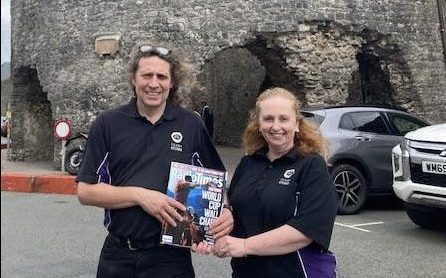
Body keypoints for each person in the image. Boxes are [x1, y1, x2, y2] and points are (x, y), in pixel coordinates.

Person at [76, 44, 233, 278]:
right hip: (119, 255)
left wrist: (225, 211)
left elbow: (214, 184)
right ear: (133, 78)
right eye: (146, 75)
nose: (153, 83)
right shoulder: (107, 123)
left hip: (171, 259)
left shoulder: (191, 124)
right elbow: (86, 192)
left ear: (171, 82)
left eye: (161, 76)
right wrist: (141, 196)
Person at [211, 87, 338, 277]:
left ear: (296, 124)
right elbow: (235, 206)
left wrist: (244, 246)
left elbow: (306, 230)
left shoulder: (312, 166)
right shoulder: (248, 163)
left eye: (283, 119)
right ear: (259, 124)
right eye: (268, 118)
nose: (276, 126)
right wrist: (221, 222)